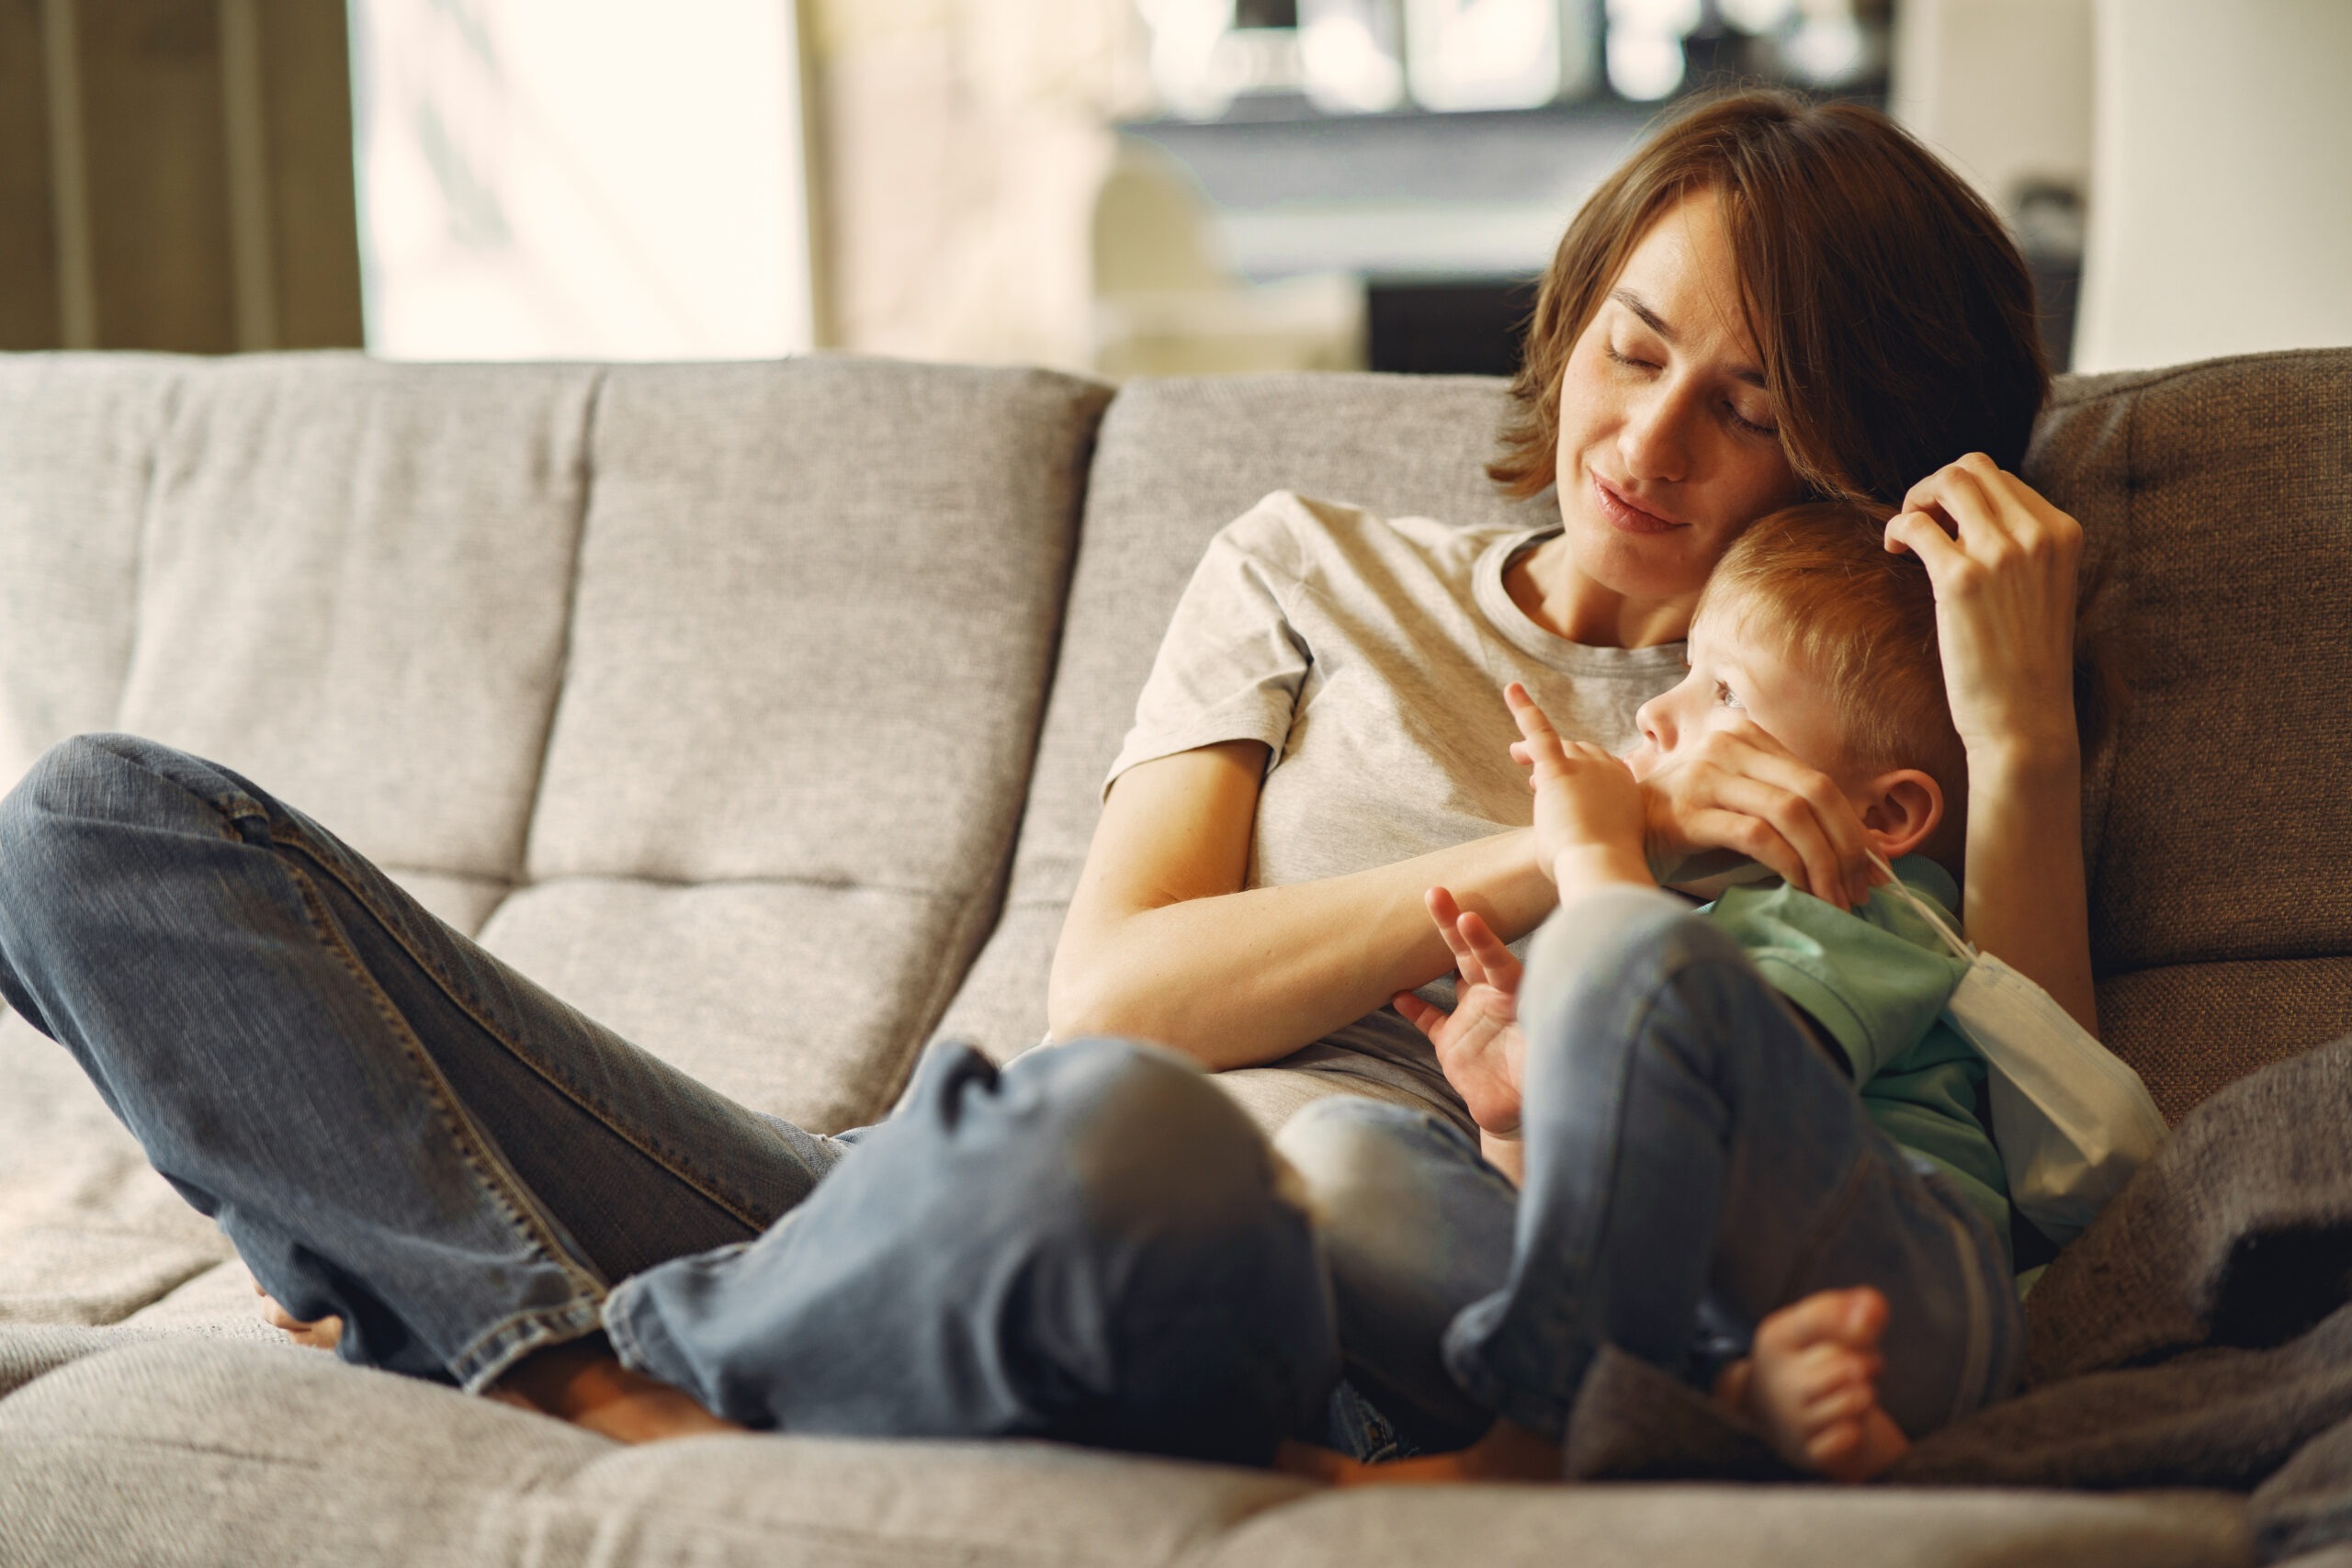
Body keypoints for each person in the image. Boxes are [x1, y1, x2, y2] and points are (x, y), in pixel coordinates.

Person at [0, 87, 2090, 1463]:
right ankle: (587, 1374)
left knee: (1121, 1152)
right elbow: (1121, 986)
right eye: (1631, 347)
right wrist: (1577, 849)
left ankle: (506, 1333)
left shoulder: (1835, 731)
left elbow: (2042, 1133)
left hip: (1254, 1275)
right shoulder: (1312, 565)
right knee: (94, 824)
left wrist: (2005, 725)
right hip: (890, 1189)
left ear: (1856, 451)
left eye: (1744, 407)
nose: (1642, 441)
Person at [1282, 499, 2045, 1487]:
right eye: (1686, 668)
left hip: (1898, 1309)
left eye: (1725, 693)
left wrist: (1592, 855)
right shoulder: (1677, 927)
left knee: (1625, 957)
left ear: (1883, 812)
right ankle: (1716, 1414)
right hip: (1695, 1342)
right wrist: (1513, 1116)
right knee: (1336, 1160)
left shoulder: (1872, 912)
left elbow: (1710, 1117)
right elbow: (1600, 1245)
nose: (1657, 709)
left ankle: (1542, 1447)